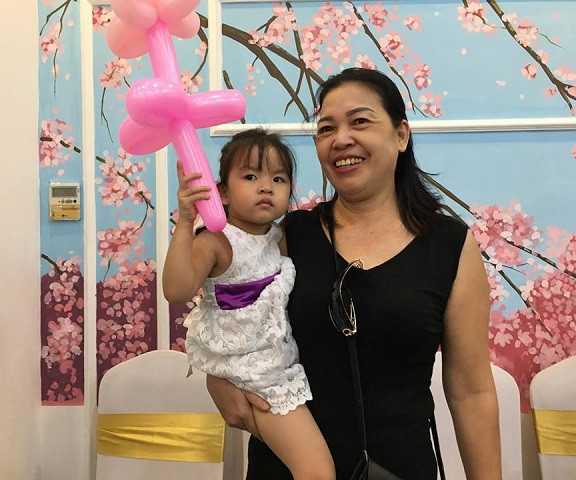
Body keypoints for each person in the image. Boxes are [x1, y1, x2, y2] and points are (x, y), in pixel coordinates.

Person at [206, 68, 502, 479]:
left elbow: (471, 391)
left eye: (360, 121)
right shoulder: (288, 235)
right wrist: (217, 378)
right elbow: (232, 315)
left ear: (401, 135)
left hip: (399, 469)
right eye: (326, 128)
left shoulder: (449, 245)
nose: (341, 139)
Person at [162, 128, 336, 480]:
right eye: (251, 176)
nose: (266, 187)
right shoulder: (216, 241)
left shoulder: (278, 237)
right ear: (222, 192)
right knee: (316, 471)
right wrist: (185, 221)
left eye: (278, 179)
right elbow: (177, 291)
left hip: (279, 363)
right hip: (255, 375)